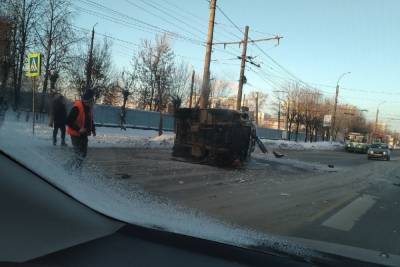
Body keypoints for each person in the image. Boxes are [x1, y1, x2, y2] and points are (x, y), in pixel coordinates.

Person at [66, 89, 96, 169]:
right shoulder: (77, 107)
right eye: (92, 100)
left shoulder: (89, 108)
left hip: (83, 135)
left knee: (83, 154)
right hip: (76, 134)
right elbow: (68, 121)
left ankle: (75, 169)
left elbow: (90, 120)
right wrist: (79, 129)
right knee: (78, 155)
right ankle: (69, 168)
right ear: (88, 101)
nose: (93, 102)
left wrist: (93, 129)